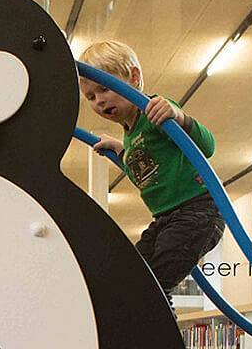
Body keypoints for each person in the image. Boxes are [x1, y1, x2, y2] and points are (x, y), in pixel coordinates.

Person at [79, 40, 225, 304]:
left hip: (197, 211)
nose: (99, 100)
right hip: (166, 218)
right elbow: (147, 175)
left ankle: (163, 332)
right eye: (91, 97)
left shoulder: (155, 111)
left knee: (153, 286)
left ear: (134, 77)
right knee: (134, 275)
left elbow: (208, 146)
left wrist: (178, 116)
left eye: (104, 88)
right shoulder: (131, 133)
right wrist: (121, 151)